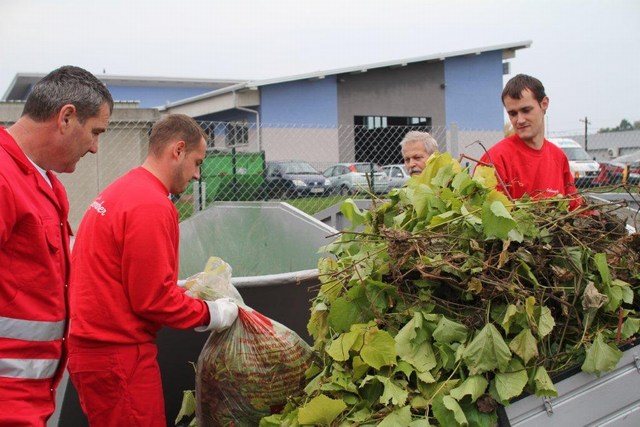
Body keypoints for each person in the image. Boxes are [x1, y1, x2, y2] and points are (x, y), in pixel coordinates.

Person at [67, 114, 238, 427]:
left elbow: (129, 282)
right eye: (197, 162)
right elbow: (152, 300)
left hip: (95, 351)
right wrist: (212, 313)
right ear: (178, 150)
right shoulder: (151, 205)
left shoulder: (123, 190)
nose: (198, 175)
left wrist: (189, 293)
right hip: (118, 355)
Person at [0, 65, 113, 426]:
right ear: (66, 117)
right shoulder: (4, 178)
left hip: (30, 397)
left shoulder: (46, 183)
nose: (95, 147)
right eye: (94, 132)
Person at [477, 74, 580, 209]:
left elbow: (575, 207)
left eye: (526, 110)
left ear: (544, 104)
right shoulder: (495, 159)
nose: (519, 120)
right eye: (513, 113)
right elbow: (485, 214)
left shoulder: (558, 157)